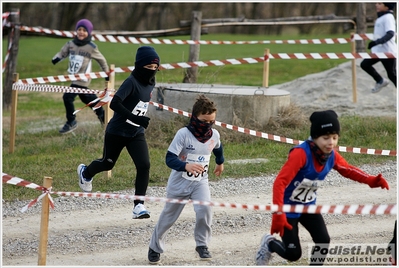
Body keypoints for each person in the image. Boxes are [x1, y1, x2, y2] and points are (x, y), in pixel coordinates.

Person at [255, 110, 390, 266]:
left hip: (308, 207)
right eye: (325, 138)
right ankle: (269, 243)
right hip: (288, 208)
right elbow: (280, 182)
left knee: (323, 241)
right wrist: (278, 212)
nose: (331, 143)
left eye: (334, 137)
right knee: (293, 254)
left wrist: (371, 180)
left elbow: (348, 170)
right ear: (315, 137)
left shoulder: (331, 155)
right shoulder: (301, 154)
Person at [77, 46, 160, 219]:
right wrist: (135, 118)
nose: (152, 71)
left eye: (155, 68)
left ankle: (139, 206)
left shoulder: (151, 82)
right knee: (107, 164)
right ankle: (85, 172)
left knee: (144, 165)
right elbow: (115, 103)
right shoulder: (131, 82)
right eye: (148, 67)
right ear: (139, 66)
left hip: (136, 133)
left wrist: (138, 121)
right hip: (117, 131)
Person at [147, 94, 225, 264]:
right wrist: (185, 165)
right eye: (204, 121)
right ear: (195, 117)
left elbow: (218, 148)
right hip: (179, 182)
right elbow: (169, 158)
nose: (208, 125)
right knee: (168, 217)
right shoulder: (183, 134)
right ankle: (155, 247)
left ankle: (202, 245)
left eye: (212, 122)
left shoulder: (214, 135)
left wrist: (220, 162)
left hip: (200, 182)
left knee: (205, 211)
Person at [52, 18, 110, 134]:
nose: (81, 32)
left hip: (82, 79)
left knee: (67, 97)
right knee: (89, 100)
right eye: (79, 29)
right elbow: (63, 52)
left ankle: (71, 121)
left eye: (84, 30)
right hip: (73, 78)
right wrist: (57, 58)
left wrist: (106, 72)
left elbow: (101, 60)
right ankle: (104, 118)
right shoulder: (71, 44)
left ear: (88, 32)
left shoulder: (91, 47)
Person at [360, 3, 397, 94]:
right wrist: (374, 46)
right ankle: (380, 80)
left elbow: (390, 33)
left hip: (387, 51)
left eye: (380, 3)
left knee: (392, 75)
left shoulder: (388, 17)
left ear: (387, 6)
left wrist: (377, 42)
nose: (376, 5)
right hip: (378, 51)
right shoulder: (380, 18)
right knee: (365, 64)